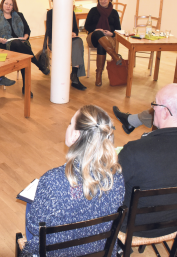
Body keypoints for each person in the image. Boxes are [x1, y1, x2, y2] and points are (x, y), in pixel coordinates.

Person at [21, 105, 124, 256]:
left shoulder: (52, 181)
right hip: (100, 250)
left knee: (32, 207)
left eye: (70, 123)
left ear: (76, 135)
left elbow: (34, 228)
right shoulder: (116, 176)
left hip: (56, 253)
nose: (67, 126)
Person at [118, 83, 177, 237]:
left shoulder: (136, 151)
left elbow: (109, 185)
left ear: (164, 112)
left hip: (134, 226)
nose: (152, 109)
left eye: (154, 104)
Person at [0, 0, 50, 98]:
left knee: (21, 52)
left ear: (13, 6)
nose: (8, 6)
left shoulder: (19, 15)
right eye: (6, 3)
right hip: (3, 45)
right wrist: (0, 39)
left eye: (11, 4)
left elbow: (27, 31)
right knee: (21, 49)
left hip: (21, 44)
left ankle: (26, 86)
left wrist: (25, 37)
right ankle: (39, 65)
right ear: (2, 4)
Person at [84, 0, 122, 87]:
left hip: (108, 38)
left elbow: (119, 30)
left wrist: (111, 33)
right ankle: (114, 56)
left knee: (102, 45)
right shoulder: (93, 10)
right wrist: (96, 29)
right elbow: (87, 26)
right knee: (98, 33)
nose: (103, 1)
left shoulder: (114, 13)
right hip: (93, 37)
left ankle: (98, 75)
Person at [45, 5, 87, 90]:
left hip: (69, 40)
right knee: (65, 48)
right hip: (55, 41)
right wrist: (63, 35)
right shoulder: (50, 13)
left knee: (78, 42)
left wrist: (74, 33)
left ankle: (74, 75)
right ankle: (61, 78)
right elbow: (49, 31)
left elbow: (75, 29)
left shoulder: (71, 13)